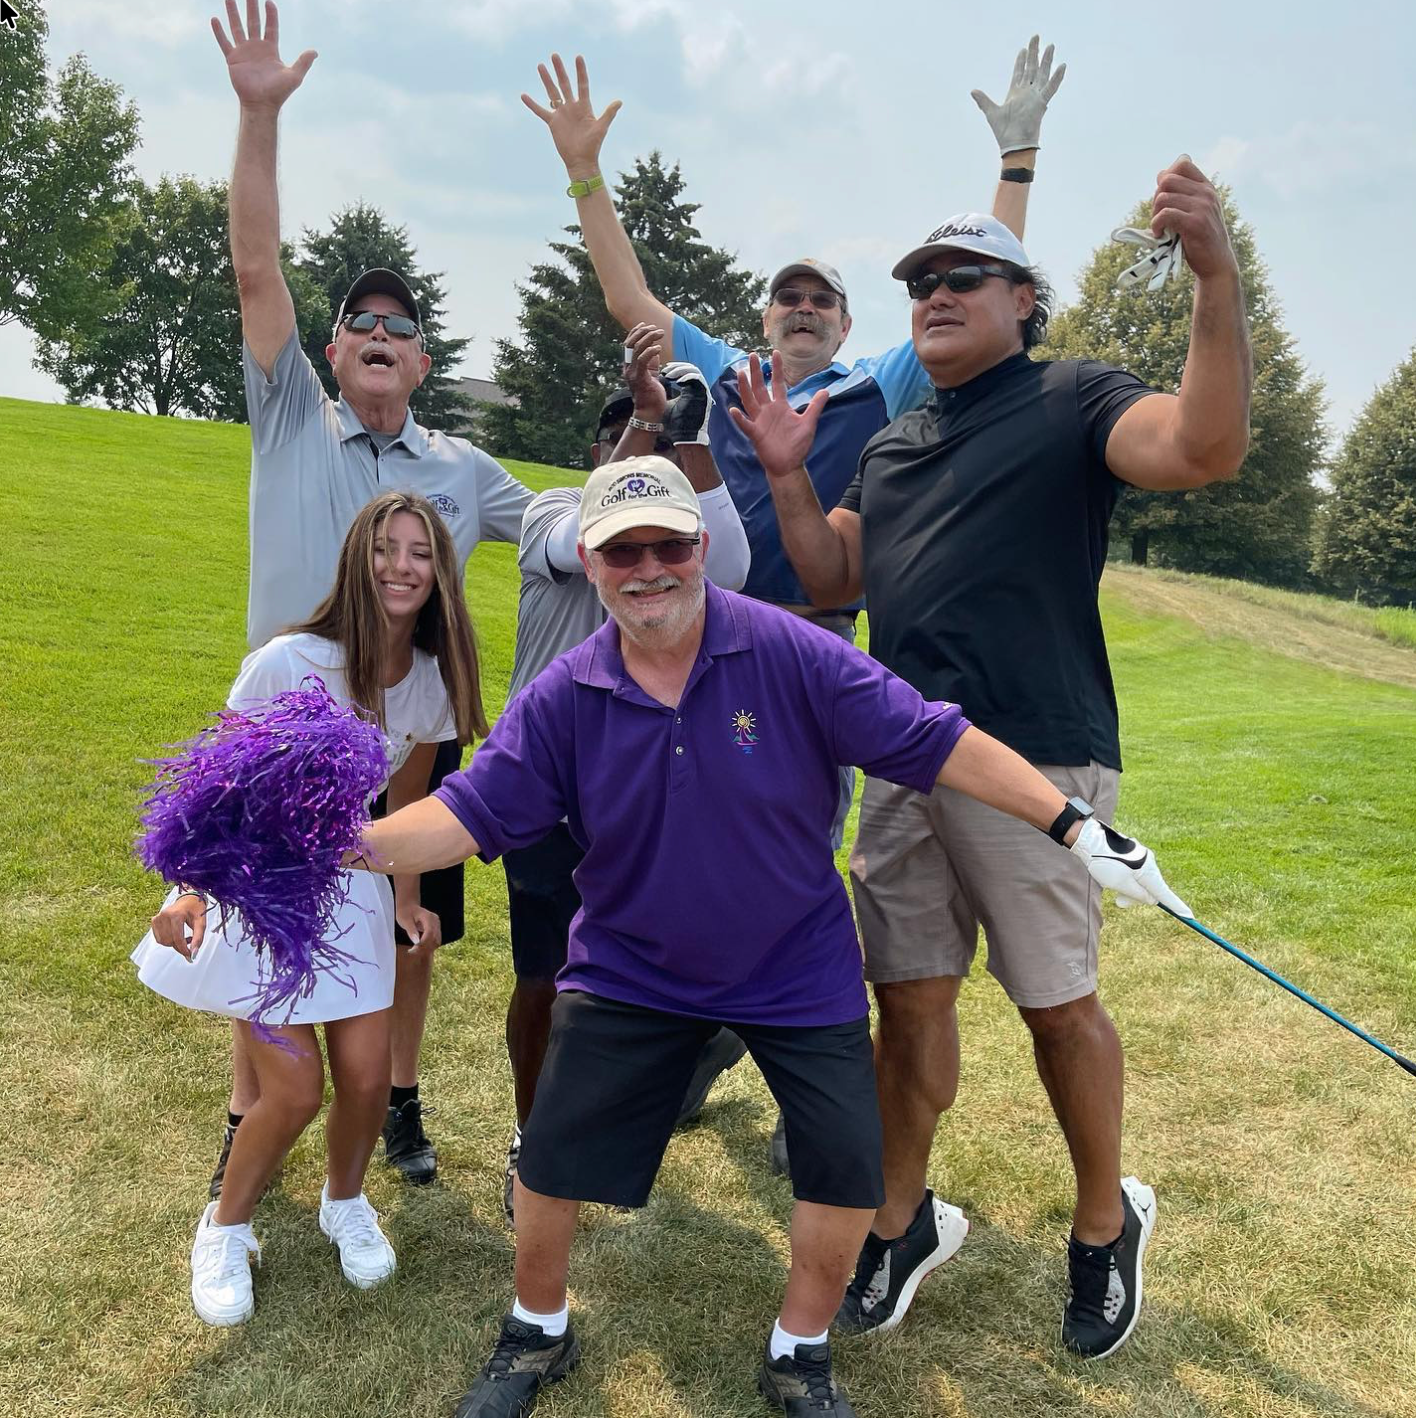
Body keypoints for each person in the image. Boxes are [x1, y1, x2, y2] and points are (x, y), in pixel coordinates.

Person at [345, 457, 1189, 1417]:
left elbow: (935, 737)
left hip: (794, 967)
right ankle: (538, 1327)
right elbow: (462, 814)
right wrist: (348, 845)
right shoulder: (565, 696)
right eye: (626, 550)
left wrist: (1073, 826)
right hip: (631, 966)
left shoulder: (791, 652)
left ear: (703, 548)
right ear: (591, 561)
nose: (650, 567)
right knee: (549, 1153)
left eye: (670, 544)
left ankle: (801, 1350)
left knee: (842, 1162)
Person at [731, 159, 1252, 1357]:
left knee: (1057, 1008)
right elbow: (831, 575)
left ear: (1026, 298)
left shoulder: (1073, 396)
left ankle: (1101, 1222)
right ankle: (902, 1221)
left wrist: (1214, 277)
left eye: (967, 275)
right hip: (908, 763)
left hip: (1041, 763)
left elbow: (1203, 444)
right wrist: (782, 474)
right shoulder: (897, 436)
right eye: (921, 279)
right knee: (907, 1003)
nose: (936, 291)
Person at [522, 38, 1064, 859]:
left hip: (815, 635)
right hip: (702, 627)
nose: (802, 308)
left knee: (798, 827)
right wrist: (584, 173)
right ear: (766, 316)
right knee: (682, 824)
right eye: (787, 298)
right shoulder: (720, 368)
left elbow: (982, 289)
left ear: (847, 323)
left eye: (822, 299)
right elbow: (626, 296)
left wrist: (1014, 168)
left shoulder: (880, 382)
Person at [208, 0, 534, 1191]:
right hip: (285, 723)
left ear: (425, 361)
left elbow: (559, 524)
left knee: (411, 923)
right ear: (334, 351)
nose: (382, 334)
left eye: (403, 326)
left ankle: (395, 1094)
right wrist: (258, 117)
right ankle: (249, 1114)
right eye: (362, 323)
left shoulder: (462, 469)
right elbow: (255, 263)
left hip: (406, 732)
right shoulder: (292, 415)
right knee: (261, 915)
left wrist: (655, 450)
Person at [134, 490, 485, 1326]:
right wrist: (186, 890)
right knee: (292, 1086)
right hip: (262, 891)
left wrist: (406, 898)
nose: (402, 567)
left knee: (367, 1082)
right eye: (386, 549)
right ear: (357, 560)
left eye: (421, 553)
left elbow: (406, 796)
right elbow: (213, 790)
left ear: (440, 574)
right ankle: (224, 1226)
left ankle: (344, 1201)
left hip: (353, 891)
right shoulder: (287, 661)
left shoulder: (431, 676)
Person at [498, 324, 751, 1223]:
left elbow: (744, 565)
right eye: (615, 435)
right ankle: (534, 1143)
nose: (627, 453)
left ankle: (665, 1079)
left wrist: (686, 440)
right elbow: (593, 525)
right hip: (543, 792)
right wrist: (650, 425)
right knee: (543, 975)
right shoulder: (549, 514)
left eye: (637, 437)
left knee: (636, 974)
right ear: (594, 448)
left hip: (647, 795)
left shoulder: (670, 553)